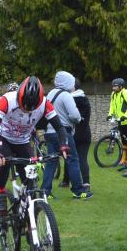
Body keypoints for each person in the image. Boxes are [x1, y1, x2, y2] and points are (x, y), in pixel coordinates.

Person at [0, 76, 70, 232]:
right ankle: (1, 195)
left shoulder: (45, 103)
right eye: (24, 106)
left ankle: (28, 215)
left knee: (30, 180)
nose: (27, 110)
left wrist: (64, 145)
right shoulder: (7, 100)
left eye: (31, 108)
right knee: (4, 162)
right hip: (2, 137)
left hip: (23, 141)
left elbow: (60, 127)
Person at [42, 71, 88, 199]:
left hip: (49, 132)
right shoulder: (66, 95)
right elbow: (74, 115)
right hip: (63, 132)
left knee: (51, 162)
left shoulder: (50, 94)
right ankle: (78, 191)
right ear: (67, 82)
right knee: (72, 159)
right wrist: (77, 120)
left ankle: (45, 191)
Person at [108, 78, 127, 166]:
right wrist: (110, 114)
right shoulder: (113, 94)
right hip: (121, 121)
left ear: (121, 86)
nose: (113, 88)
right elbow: (112, 105)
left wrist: (125, 115)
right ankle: (125, 160)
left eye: (115, 86)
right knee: (124, 142)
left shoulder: (125, 92)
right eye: (113, 86)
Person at [68, 78, 92, 193]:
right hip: (86, 133)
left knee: (70, 158)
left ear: (73, 87)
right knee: (83, 158)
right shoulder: (85, 99)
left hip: (74, 133)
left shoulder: (70, 100)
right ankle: (86, 183)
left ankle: (66, 180)